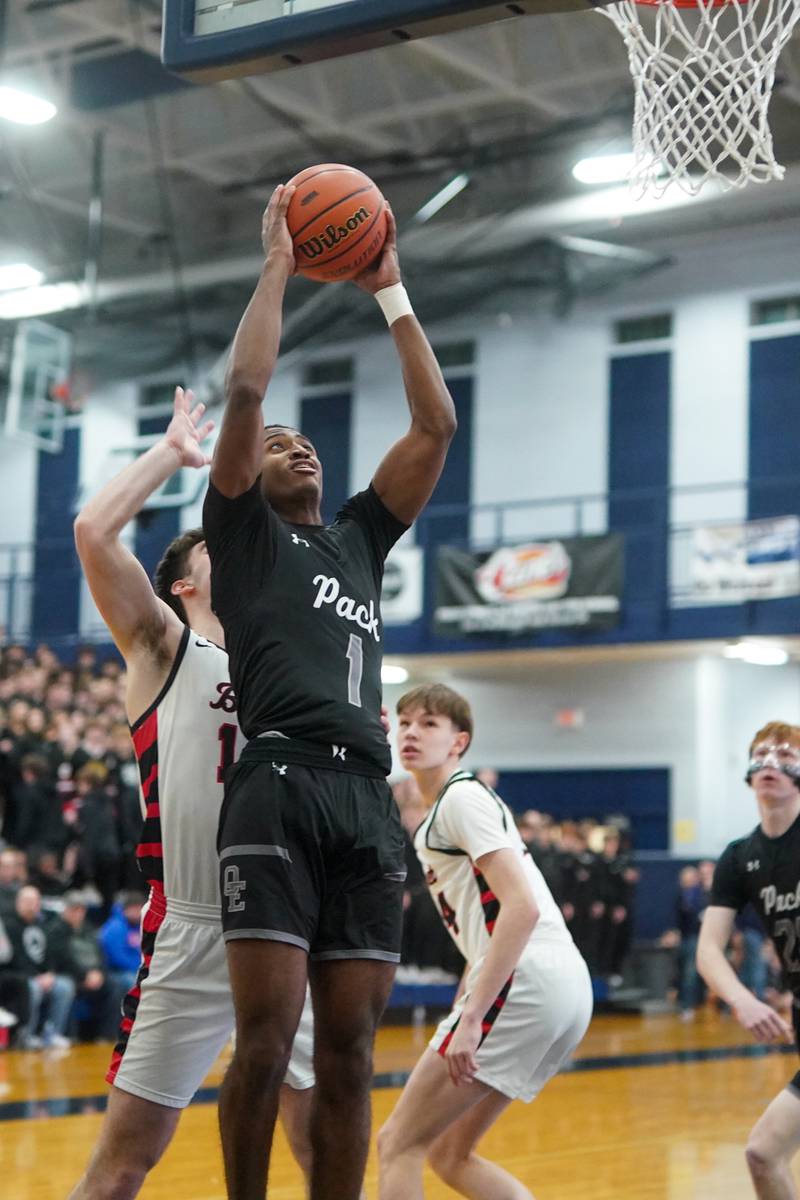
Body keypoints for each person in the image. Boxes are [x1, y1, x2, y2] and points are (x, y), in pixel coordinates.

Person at [203, 184, 456, 1200]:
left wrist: (389, 286)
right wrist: (278, 263)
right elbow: (245, 394)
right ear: (244, 476)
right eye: (277, 446)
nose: (292, 443)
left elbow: (434, 424)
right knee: (264, 1043)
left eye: (304, 442)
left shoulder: (355, 537)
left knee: (350, 1049)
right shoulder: (241, 534)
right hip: (276, 785)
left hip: (365, 796)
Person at [68, 386, 314, 1200]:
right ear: (183, 584)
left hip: (289, 923)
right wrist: (173, 454)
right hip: (196, 926)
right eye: (219, 547)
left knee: (326, 1152)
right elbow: (94, 532)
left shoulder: (288, 666)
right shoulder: (165, 645)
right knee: (123, 1163)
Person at [378, 684, 593, 1200]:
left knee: (397, 1143)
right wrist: (466, 1002)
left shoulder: (462, 798)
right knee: (450, 1155)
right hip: (556, 984)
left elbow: (521, 907)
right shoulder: (444, 809)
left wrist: (473, 1016)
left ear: (459, 742)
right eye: (405, 721)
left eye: (429, 723)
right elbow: (490, 925)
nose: (411, 731)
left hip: (527, 978)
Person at [697, 720, 800, 1200]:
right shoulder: (740, 858)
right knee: (763, 1154)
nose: (771, 763)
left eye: (786, 755)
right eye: (762, 753)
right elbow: (709, 949)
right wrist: (742, 1000)